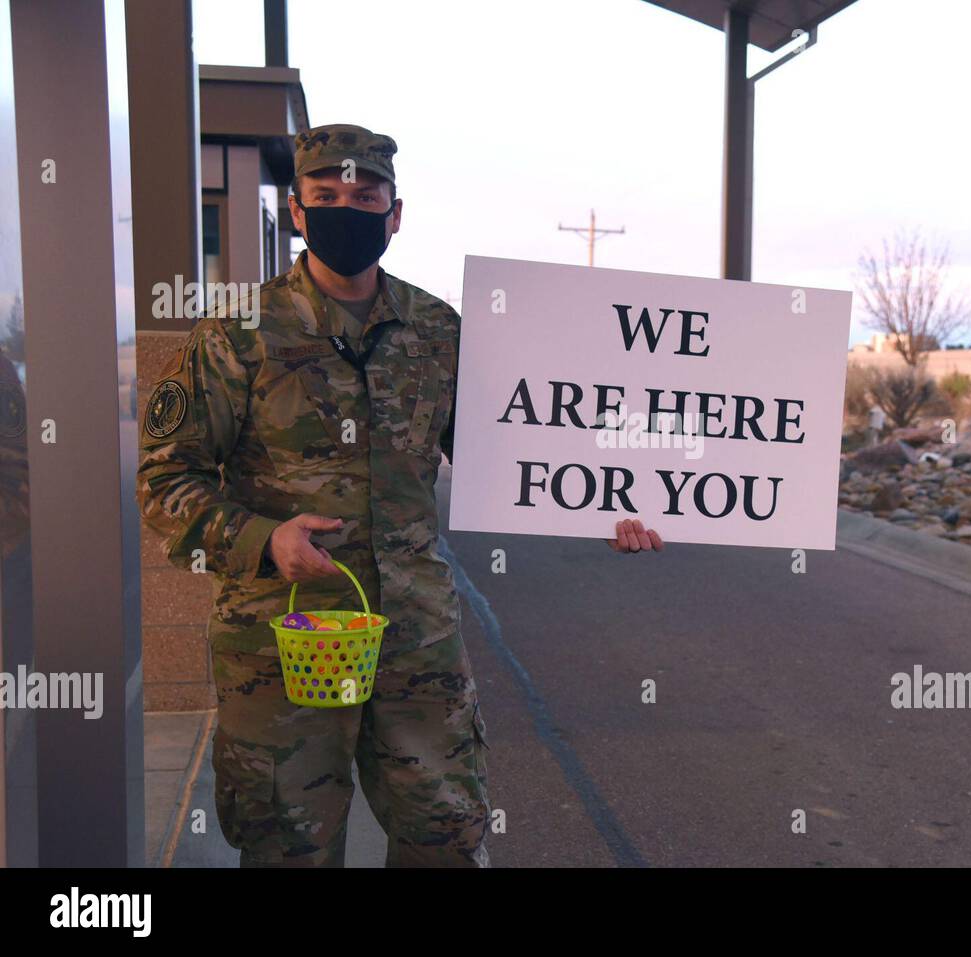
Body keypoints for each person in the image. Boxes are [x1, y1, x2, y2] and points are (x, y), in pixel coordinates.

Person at [136, 123, 663, 868]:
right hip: (283, 643)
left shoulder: (438, 332)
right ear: (296, 210)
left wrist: (607, 507)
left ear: (395, 212)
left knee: (445, 838)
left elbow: (513, 460)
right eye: (326, 196)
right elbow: (165, 475)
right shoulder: (237, 336)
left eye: (364, 195)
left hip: (415, 640)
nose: (346, 209)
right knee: (288, 844)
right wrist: (263, 539)